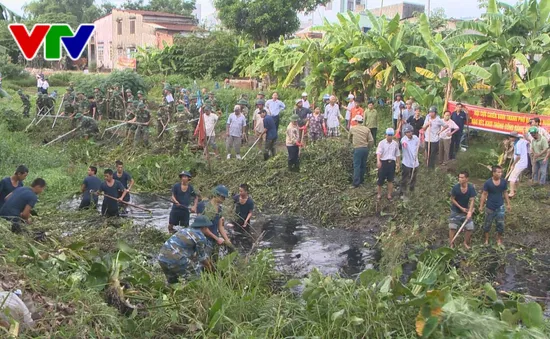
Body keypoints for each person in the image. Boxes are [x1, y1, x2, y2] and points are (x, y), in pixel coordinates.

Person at [157, 215, 214, 284]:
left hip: (162, 258)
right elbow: (202, 258)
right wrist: (210, 268)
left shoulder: (184, 230)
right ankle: (195, 292)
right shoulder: (200, 237)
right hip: (176, 258)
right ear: (204, 227)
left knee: (173, 282)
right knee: (196, 278)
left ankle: (170, 293)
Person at [197, 185, 233, 260]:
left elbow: (220, 227)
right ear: (217, 195)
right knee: (205, 262)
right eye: (223, 197)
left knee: (214, 261)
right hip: (204, 239)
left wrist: (227, 240)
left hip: (214, 239)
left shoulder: (219, 209)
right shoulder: (203, 206)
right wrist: (217, 239)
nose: (224, 199)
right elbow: (203, 228)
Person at [479, 166, 511, 246]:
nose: (500, 174)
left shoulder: (503, 182)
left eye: (501, 172)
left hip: (500, 206)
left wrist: (508, 204)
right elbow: (484, 194)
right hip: (490, 206)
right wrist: (481, 206)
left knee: (500, 224)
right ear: (493, 173)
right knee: (487, 224)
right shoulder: (488, 183)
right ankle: (486, 240)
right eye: (498, 172)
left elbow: (505, 192)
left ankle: (499, 239)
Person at [449, 171, 476, 249]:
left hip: (466, 211)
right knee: (452, 227)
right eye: (459, 177)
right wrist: (461, 208)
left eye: (462, 177)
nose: (460, 179)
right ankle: (451, 243)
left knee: (470, 227)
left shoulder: (471, 188)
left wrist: (470, 212)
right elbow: (452, 199)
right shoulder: (455, 188)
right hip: (456, 210)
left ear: (467, 179)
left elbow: (472, 200)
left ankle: (465, 243)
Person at [349, 115, 374, 188]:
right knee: (363, 165)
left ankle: (356, 183)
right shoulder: (367, 129)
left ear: (356, 121)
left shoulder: (353, 129)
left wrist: (352, 142)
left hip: (357, 149)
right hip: (365, 149)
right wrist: (368, 147)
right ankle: (362, 180)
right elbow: (371, 140)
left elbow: (349, 138)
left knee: (357, 165)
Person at [376, 128, 401, 201]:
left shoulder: (395, 144)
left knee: (390, 180)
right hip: (383, 163)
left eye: (391, 135)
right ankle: (379, 194)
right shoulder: (382, 143)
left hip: (391, 163)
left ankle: (389, 195)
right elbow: (378, 153)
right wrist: (378, 161)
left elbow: (397, 154)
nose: (389, 137)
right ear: (385, 135)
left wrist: (398, 163)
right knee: (380, 180)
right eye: (388, 135)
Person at [400, 124, 420, 198]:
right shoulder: (404, 140)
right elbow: (403, 144)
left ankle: (412, 189)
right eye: (407, 132)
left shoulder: (416, 138)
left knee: (413, 177)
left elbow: (418, 144)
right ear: (405, 133)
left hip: (415, 162)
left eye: (410, 132)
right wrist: (404, 145)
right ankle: (403, 191)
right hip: (406, 163)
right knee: (405, 178)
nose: (409, 133)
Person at [507, 131, 529, 198]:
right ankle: (516, 190)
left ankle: (511, 193)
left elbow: (518, 156)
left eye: (511, 137)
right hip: (523, 162)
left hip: (520, 163)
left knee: (511, 178)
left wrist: (513, 164)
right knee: (516, 178)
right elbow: (527, 141)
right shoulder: (522, 140)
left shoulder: (518, 144)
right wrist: (525, 136)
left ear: (514, 138)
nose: (509, 138)